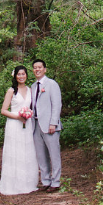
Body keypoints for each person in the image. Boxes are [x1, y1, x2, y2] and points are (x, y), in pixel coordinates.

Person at [0, 64, 39, 195]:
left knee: (26, 151)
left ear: (26, 75)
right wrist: (18, 116)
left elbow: (33, 106)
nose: (21, 76)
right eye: (19, 74)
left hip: (27, 124)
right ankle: (13, 184)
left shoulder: (30, 89)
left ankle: (27, 182)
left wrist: (28, 115)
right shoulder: (11, 91)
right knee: (14, 152)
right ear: (15, 76)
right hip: (14, 125)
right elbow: (3, 111)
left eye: (23, 74)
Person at [31, 56, 62, 191]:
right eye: (35, 68)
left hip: (49, 125)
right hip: (36, 125)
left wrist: (53, 123)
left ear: (44, 69)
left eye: (40, 67)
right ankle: (45, 181)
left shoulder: (52, 84)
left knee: (54, 154)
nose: (37, 70)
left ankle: (56, 182)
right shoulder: (32, 86)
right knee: (41, 155)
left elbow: (57, 104)